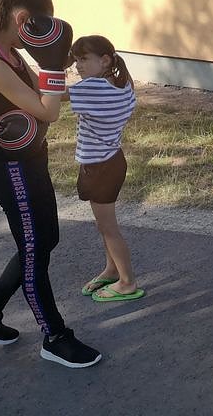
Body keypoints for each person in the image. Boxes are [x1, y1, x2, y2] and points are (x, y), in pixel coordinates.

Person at [0, 0, 101, 368]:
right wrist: (52, 62)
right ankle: (54, 336)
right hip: (11, 171)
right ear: (22, 18)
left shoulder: (11, 55)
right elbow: (47, 111)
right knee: (36, 250)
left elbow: (45, 94)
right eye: (40, 23)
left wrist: (102, 87)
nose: (42, 32)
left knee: (43, 240)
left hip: (30, 164)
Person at [68, 35, 142, 302]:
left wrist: (50, 63)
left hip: (99, 167)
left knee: (109, 228)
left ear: (106, 60)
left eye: (84, 59)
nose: (77, 66)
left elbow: (53, 95)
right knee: (104, 226)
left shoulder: (93, 88)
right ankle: (112, 269)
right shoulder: (124, 85)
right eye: (75, 60)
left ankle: (127, 281)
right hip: (111, 161)